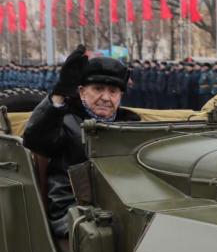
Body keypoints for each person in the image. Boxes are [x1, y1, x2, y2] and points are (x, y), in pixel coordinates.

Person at [23, 45, 140, 240]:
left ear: (120, 96)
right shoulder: (65, 120)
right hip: (74, 208)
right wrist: (59, 94)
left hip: (122, 204)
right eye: (98, 89)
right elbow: (36, 139)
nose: (105, 97)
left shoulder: (131, 124)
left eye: (113, 91)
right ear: (82, 91)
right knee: (104, 237)